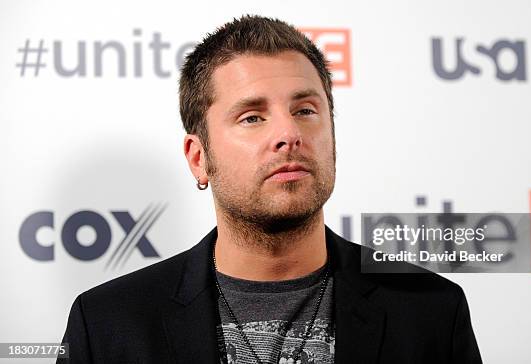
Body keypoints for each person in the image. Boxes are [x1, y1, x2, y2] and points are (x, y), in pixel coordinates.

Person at [58, 15, 482, 364]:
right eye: (252, 117)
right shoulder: (105, 326)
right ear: (198, 157)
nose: (289, 133)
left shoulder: (432, 312)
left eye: (305, 110)